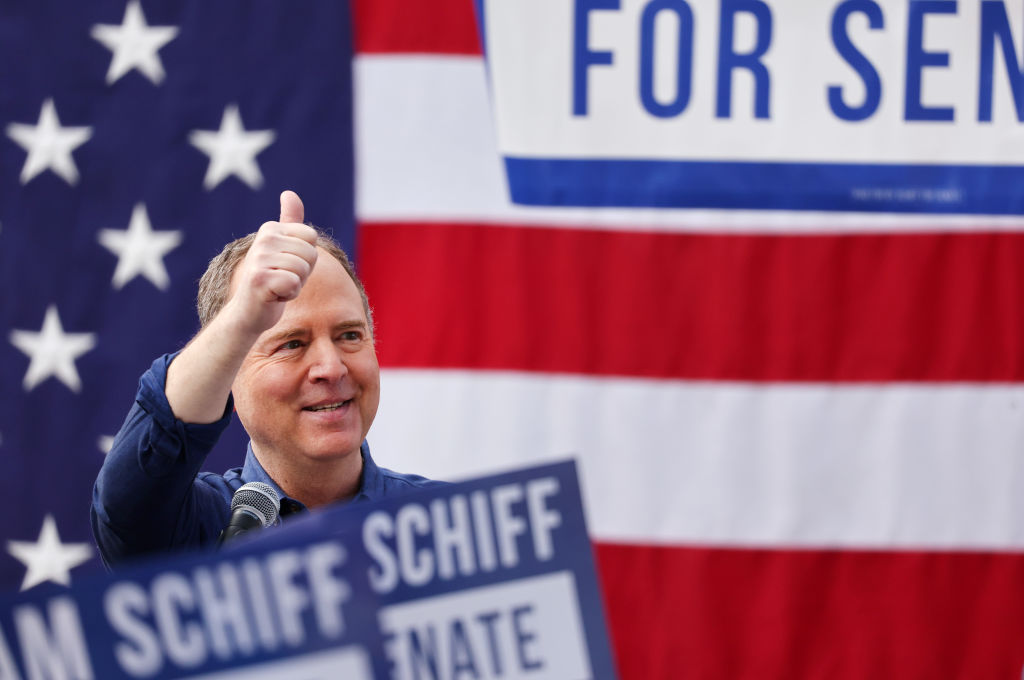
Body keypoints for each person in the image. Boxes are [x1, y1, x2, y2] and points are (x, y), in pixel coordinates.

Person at [91, 190, 440, 566]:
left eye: (350, 335)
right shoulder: (195, 530)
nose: (332, 368)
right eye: (292, 343)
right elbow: (125, 503)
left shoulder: (448, 525)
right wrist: (242, 317)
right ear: (229, 374)